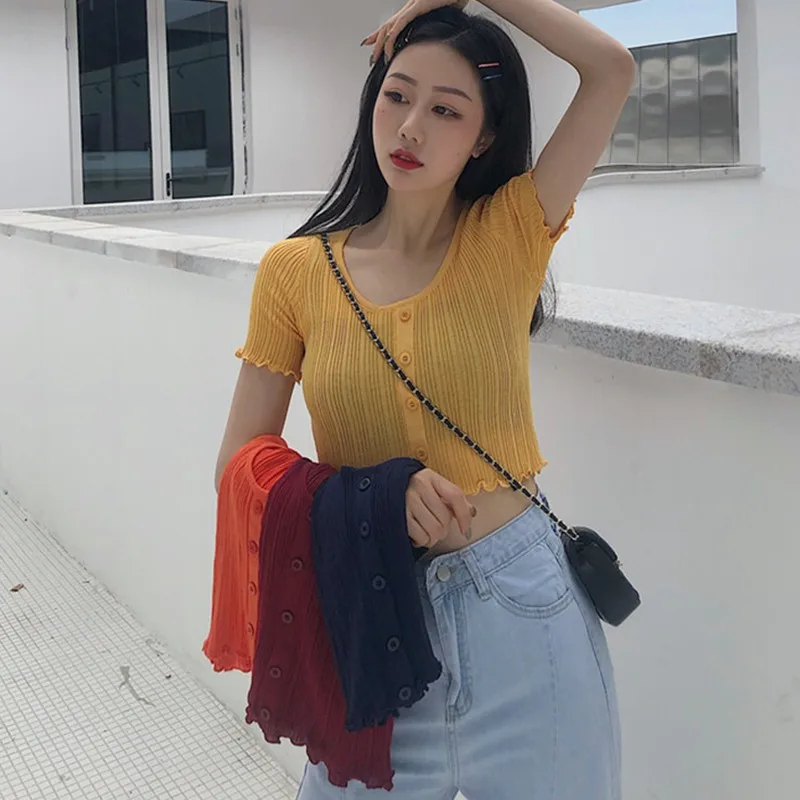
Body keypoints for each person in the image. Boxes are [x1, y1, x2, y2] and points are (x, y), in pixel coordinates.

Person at [215, 1, 634, 797]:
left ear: (482, 137)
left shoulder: (510, 233)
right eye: (397, 95)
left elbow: (611, 69)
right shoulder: (294, 273)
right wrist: (376, 496)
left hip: (523, 612)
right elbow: (237, 466)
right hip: (370, 617)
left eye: (446, 110)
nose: (410, 127)